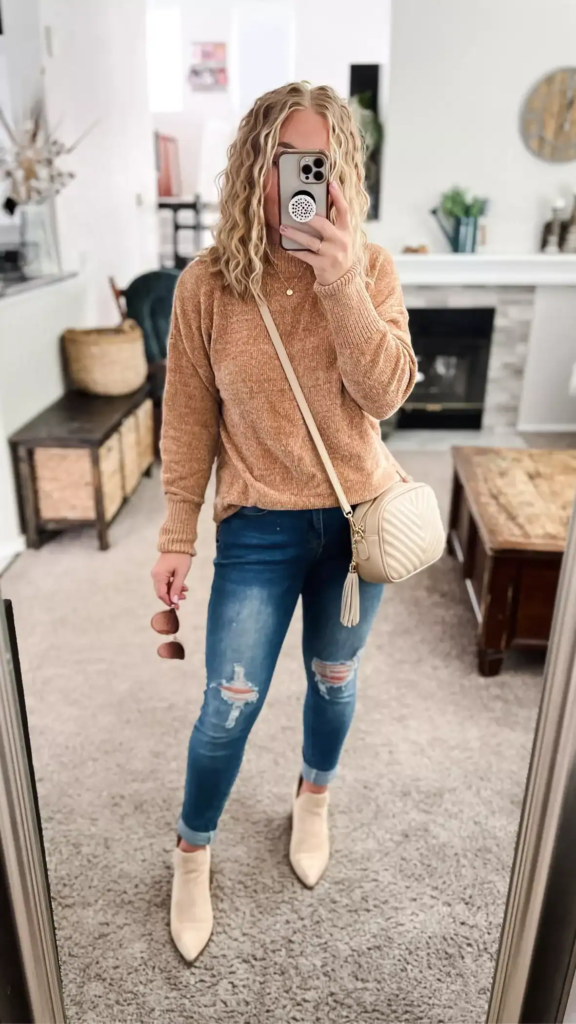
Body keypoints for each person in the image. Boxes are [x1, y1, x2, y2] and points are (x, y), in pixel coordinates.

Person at [151, 82, 416, 963]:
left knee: (334, 680)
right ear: (253, 166)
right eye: (285, 160)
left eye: (319, 162)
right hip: (259, 526)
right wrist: (177, 533)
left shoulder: (370, 268)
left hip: (357, 524)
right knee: (228, 705)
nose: (301, 180)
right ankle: (192, 850)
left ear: (342, 173)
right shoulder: (206, 285)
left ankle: (314, 796)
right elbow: (188, 416)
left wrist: (339, 281)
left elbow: (386, 393)